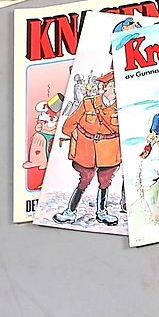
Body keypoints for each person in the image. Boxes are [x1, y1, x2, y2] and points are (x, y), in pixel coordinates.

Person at [53, 72, 121, 226]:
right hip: (87, 151)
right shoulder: (88, 103)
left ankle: (102, 213)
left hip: (110, 151)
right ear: (106, 87)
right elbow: (69, 125)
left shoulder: (121, 107)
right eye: (113, 87)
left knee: (105, 182)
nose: (115, 91)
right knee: (84, 180)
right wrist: (76, 139)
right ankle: (69, 212)